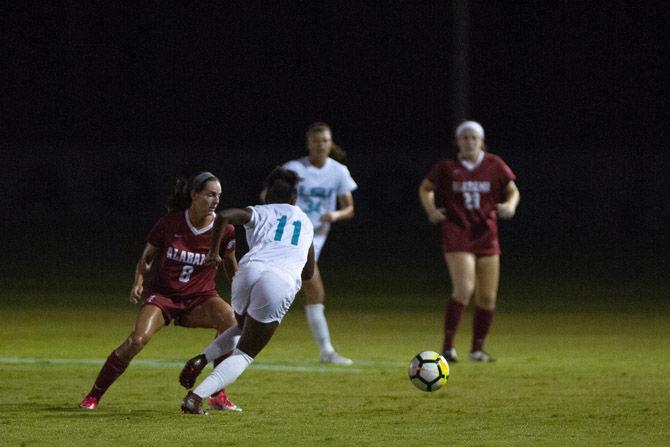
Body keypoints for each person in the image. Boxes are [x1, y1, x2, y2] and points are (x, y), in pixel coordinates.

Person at [79, 172, 241, 411]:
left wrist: (243, 293)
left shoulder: (224, 229)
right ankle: (93, 395)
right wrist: (138, 282)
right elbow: (146, 258)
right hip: (164, 296)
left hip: (200, 298)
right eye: (209, 194)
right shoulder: (170, 223)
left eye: (218, 195)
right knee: (136, 340)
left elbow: (231, 266)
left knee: (231, 321)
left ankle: (217, 394)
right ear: (194, 195)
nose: (215, 200)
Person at [179, 167, 315, 415]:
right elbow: (308, 273)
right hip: (279, 278)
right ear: (295, 198)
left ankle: (201, 359)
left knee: (242, 327)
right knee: (245, 354)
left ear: (266, 195)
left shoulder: (259, 211)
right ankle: (196, 397)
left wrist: (213, 252)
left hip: (248, 271)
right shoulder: (305, 222)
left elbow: (224, 216)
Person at [419, 121, 520, 363]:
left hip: (486, 233)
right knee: (464, 288)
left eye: (474, 137)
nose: (469, 141)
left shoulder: (494, 164)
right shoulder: (447, 167)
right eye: (464, 137)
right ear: (458, 142)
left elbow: (512, 190)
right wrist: (431, 210)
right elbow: (425, 188)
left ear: (481, 141)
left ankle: (477, 350)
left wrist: (510, 205)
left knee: (487, 297)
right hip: (457, 231)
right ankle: (448, 347)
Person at [269, 122, 357, 365]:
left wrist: (335, 215)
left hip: (316, 239)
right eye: (316, 141)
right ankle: (327, 351)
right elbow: (267, 197)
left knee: (285, 291)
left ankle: (240, 334)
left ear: (331, 143)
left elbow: (349, 208)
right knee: (313, 291)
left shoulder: (338, 171)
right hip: (293, 238)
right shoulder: (293, 169)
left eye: (325, 141)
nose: (321, 145)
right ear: (308, 143)